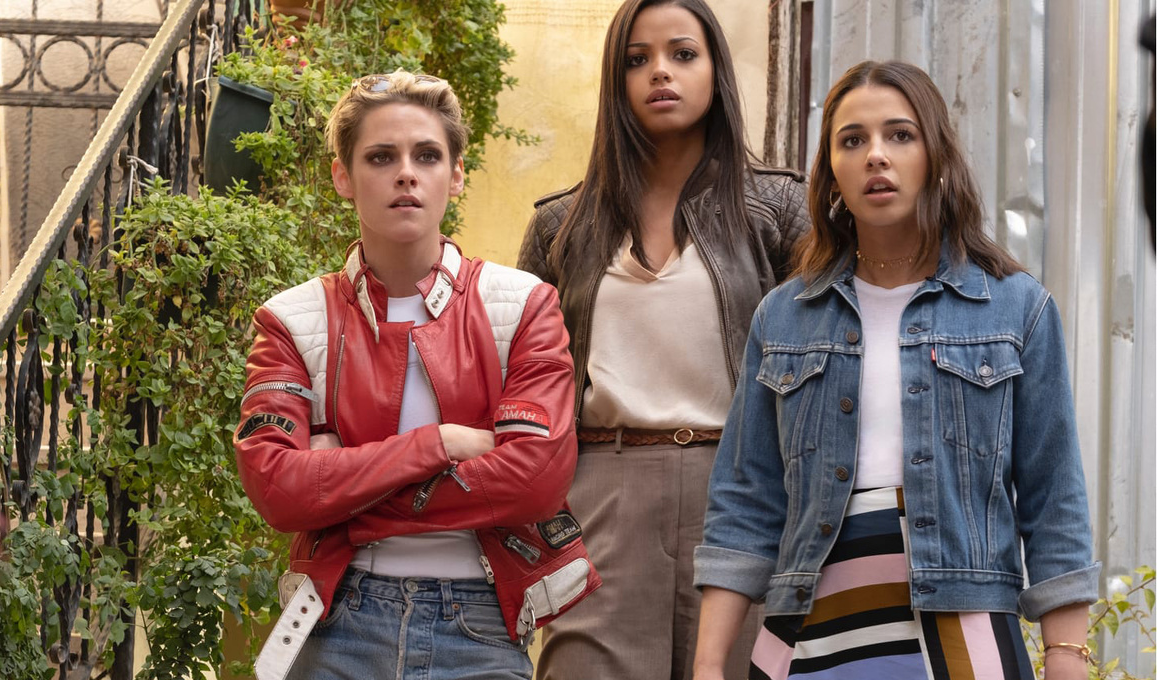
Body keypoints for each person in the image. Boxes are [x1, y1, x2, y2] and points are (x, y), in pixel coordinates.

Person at [692, 60, 1099, 680]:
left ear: (936, 156)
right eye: (852, 140)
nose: (875, 155)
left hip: (963, 635)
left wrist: (1067, 657)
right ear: (831, 170)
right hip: (809, 636)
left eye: (900, 135)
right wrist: (707, 665)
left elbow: (1054, 497)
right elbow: (746, 497)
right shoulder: (784, 316)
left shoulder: (1017, 307)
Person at [235, 70, 598, 680]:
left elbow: (536, 481)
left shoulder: (523, 305)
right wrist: (439, 443)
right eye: (381, 156)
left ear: (455, 175)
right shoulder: (293, 319)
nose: (406, 173)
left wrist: (344, 492)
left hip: (480, 624)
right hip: (337, 619)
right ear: (343, 177)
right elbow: (278, 489)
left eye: (427, 155)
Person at [516, 0, 809, 677]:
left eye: (682, 54)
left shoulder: (777, 210)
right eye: (637, 59)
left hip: (744, 491)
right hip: (601, 487)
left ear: (715, 70)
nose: (660, 72)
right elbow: (523, 385)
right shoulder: (561, 225)